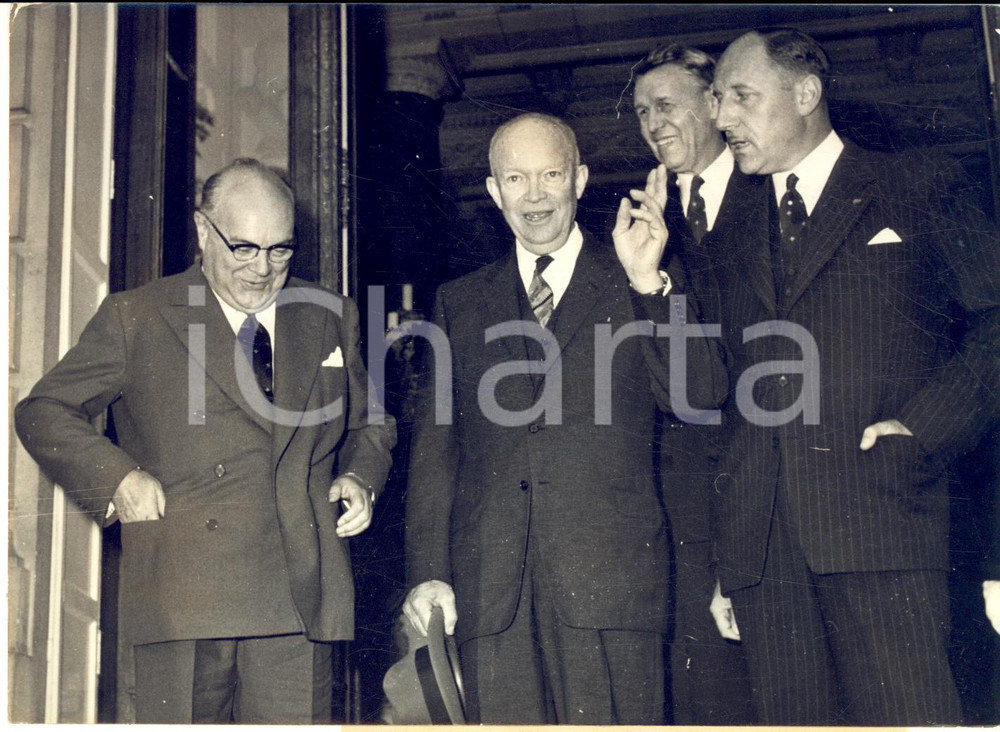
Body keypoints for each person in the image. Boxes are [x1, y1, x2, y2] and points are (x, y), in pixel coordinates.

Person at [15, 158, 397, 723]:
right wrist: (118, 477)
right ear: (202, 231)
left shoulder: (329, 314)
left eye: (280, 250)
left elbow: (372, 422)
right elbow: (44, 410)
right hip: (183, 594)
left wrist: (360, 477)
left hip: (301, 595)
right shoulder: (137, 314)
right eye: (243, 247)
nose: (263, 268)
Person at [708, 28, 1000, 725]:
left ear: (805, 93)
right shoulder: (732, 233)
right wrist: (731, 553)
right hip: (766, 553)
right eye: (718, 98)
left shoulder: (916, 183)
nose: (721, 117)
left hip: (881, 521)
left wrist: (923, 432)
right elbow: (724, 393)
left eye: (741, 96)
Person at [401, 112, 726, 724]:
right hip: (491, 594)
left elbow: (700, 394)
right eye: (516, 178)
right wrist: (428, 574)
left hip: (612, 588)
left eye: (550, 174)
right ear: (494, 191)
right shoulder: (460, 301)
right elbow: (436, 451)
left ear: (579, 179)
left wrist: (646, 279)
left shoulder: (639, 275)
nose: (534, 196)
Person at [630, 42, 757, 725]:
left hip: (766, 484)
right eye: (643, 111)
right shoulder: (636, 223)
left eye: (667, 105)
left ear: (714, 105)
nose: (653, 122)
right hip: (680, 505)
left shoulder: (771, 199)